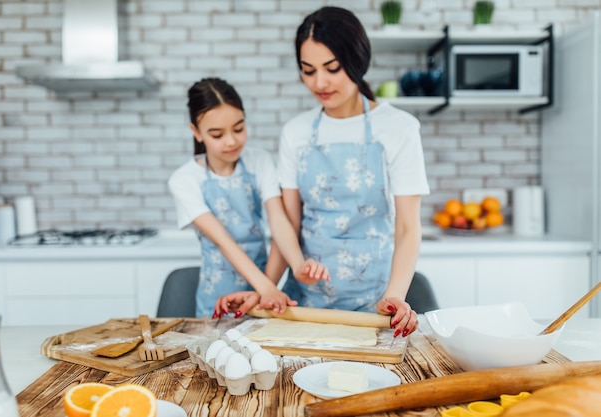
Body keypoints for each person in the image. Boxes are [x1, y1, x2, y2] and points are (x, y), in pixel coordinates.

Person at [215, 7, 429, 337]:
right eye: (308, 70)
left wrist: (394, 297)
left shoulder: (399, 128)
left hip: (373, 305)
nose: (320, 83)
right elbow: (288, 224)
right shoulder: (296, 132)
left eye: (332, 68)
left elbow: (407, 227)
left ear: (357, 60)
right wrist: (267, 288)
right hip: (306, 306)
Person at [168, 77, 329, 318]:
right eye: (217, 134)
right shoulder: (185, 179)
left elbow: (279, 220)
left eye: (239, 128)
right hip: (218, 301)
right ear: (197, 133)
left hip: (265, 293)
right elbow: (224, 241)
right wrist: (266, 289)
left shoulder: (259, 161)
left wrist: (295, 266)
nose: (231, 141)